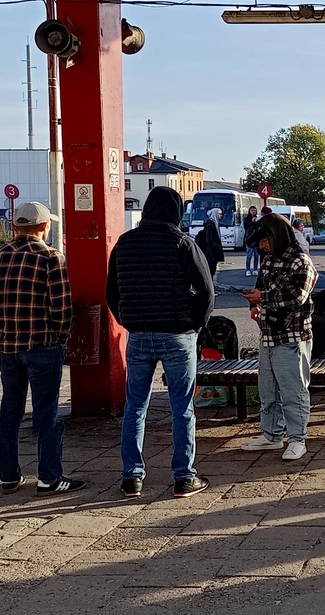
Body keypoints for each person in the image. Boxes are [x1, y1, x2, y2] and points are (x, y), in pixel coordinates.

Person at [106, 186, 214, 499]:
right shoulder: (183, 242)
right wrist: (195, 325)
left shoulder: (124, 244)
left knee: (135, 407)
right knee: (182, 408)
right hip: (178, 335)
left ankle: (132, 477)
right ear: (177, 212)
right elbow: (206, 292)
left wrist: (128, 320)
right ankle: (184, 477)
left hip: (139, 335)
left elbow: (111, 292)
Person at [0, 201, 83, 496]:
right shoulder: (51, 257)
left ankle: (9, 477)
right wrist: (60, 336)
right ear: (44, 227)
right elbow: (62, 308)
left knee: (10, 411)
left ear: (15, 227)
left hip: (9, 346)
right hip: (43, 344)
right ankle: (49, 477)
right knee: (46, 412)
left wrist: (5, 328)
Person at [240, 214, 318, 460]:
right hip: (269, 334)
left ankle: (297, 438)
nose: (262, 246)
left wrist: (261, 298)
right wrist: (254, 303)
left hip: (292, 335)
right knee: (268, 389)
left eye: (265, 240)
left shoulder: (300, 260)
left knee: (293, 389)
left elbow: (297, 297)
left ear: (277, 236)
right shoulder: (269, 260)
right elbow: (261, 286)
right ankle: (272, 434)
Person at [194, 207, 225, 288]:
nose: (220, 215)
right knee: (210, 270)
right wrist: (216, 247)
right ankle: (210, 288)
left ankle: (211, 287)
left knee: (212, 270)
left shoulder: (215, 223)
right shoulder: (210, 225)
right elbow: (209, 239)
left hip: (212, 251)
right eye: (219, 213)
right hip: (211, 252)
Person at [243, 206, 259, 277]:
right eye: (252, 210)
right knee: (249, 256)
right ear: (249, 211)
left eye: (254, 210)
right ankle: (248, 270)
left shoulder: (257, 219)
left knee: (256, 256)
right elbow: (246, 227)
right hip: (249, 240)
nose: (253, 212)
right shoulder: (246, 219)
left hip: (256, 240)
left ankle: (255, 269)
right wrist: (252, 222)